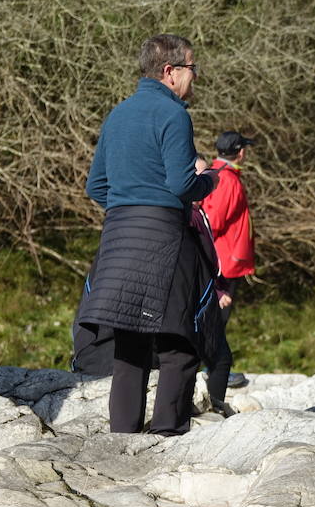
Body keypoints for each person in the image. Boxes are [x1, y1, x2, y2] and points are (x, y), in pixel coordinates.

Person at [76, 34, 218, 435]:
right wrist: (208, 182)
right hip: (164, 238)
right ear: (170, 72)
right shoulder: (174, 116)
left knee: (130, 342)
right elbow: (180, 185)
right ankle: (167, 433)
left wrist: (128, 204)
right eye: (193, 68)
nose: (195, 77)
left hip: (117, 237)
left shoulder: (117, 114)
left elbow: (95, 187)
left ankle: (123, 434)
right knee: (179, 340)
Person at [201, 131, 256, 401]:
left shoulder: (216, 172)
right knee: (215, 323)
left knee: (213, 322)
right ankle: (212, 372)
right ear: (241, 152)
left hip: (224, 261)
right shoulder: (228, 179)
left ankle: (212, 368)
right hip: (225, 264)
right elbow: (214, 221)